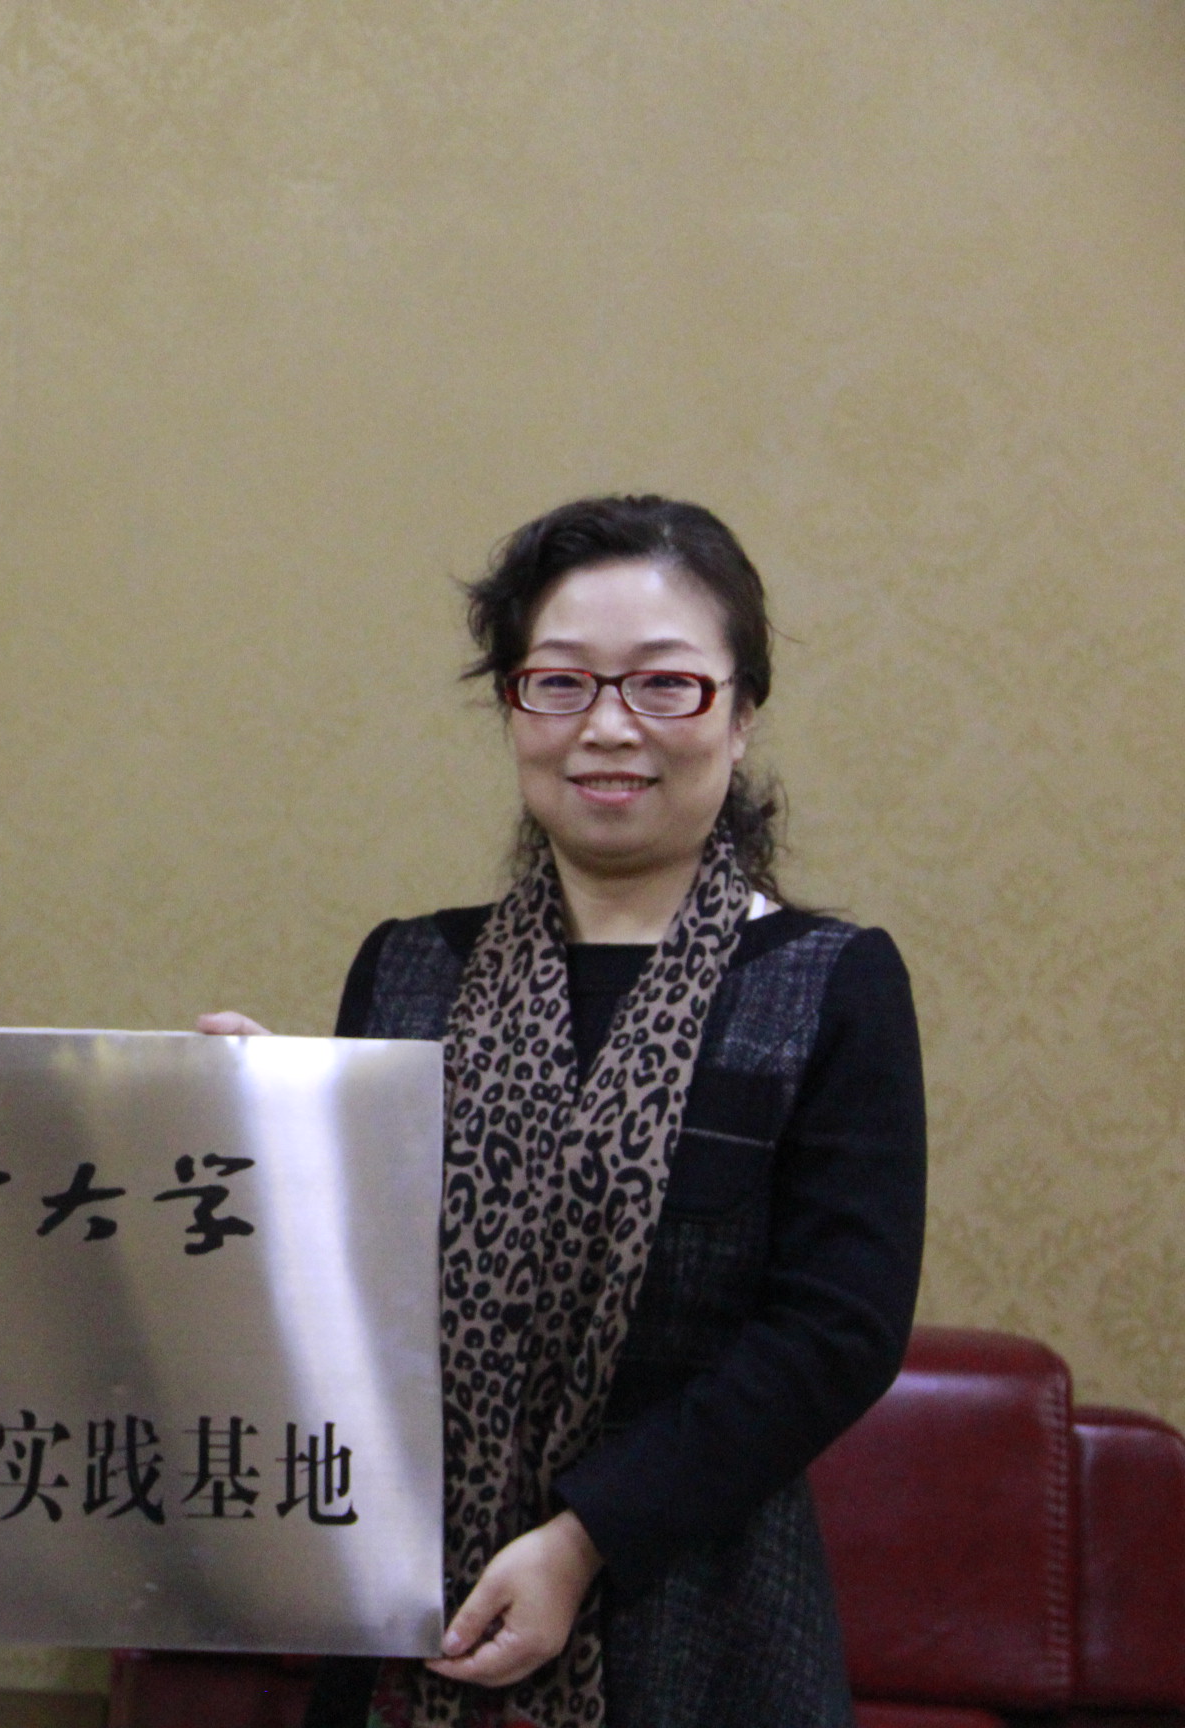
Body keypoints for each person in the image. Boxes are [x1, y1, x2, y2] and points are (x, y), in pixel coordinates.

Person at [201, 496, 923, 1728]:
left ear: (742, 713)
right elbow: (361, 1310)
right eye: (560, 683)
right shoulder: (409, 969)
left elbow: (836, 1333)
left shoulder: (828, 985)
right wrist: (279, 1159)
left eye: (665, 685)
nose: (607, 726)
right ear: (511, 707)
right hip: (412, 1612)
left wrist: (584, 1539)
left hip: (703, 1620)